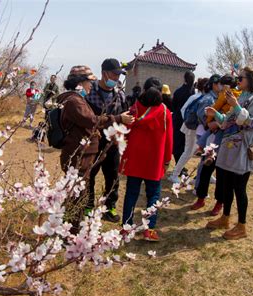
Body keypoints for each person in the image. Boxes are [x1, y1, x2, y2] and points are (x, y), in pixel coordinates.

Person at [57, 65, 133, 230]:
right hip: (78, 154)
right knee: (78, 192)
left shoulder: (79, 99)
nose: (91, 85)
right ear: (79, 82)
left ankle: (72, 226)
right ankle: (71, 229)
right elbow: (92, 121)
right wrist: (118, 118)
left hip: (88, 151)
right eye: (88, 82)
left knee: (81, 189)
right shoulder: (74, 101)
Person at [205, 67, 253, 240]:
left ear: (250, 79)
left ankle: (242, 226)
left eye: (241, 78)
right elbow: (227, 121)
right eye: (238, 78)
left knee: (240, 188)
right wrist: (216, 113)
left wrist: (236, 106)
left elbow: (250, 123)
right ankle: (225, 218)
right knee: (226, 184)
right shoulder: (242, 97)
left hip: (242, 150)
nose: (238, 81)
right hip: (229, 147)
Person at [120, 77, 173, 241]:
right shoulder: (164, 112)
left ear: (144, 89)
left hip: (135, 158)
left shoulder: (134, 109)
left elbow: (125, 131)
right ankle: (149, 230)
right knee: (153, 194)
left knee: (131, 193)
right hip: (154, 160)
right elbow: (169, 139)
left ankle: (126, 228)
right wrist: (166, 160)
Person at [85, 58, 129, 223]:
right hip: (93, 142)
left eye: (119, 75)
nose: (117, 78)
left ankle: (109, 206)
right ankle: (87, 206)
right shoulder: (90, 93)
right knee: (89, 175)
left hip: (113, 143)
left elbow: (125, 118)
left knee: (112, 176)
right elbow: (88, 119)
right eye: (114, 74)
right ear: (104, 73)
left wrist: (119, 135)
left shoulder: (119, 94)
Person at [191, 74, 224, 215]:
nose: (223, 87)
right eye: (221, 83)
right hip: (212, 138)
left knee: (222, 175)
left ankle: (219, 203)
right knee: (205, 169)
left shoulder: (230, 99)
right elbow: (202, 114)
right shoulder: (210, 98)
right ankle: (201, 197)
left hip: (225, 140)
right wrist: (209, 123)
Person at [168, 78, 209, 184]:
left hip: (196, 129)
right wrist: (189, 121)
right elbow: (183, 110)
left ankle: (205, 174)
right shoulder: (197, 97)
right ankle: (175, 174)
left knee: (203, 151)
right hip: (192, 128)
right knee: (188, 152)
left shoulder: (201, 97)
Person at [196, 74, 242, 164]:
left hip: (221, 117)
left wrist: (209, 120)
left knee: (210, 131)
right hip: (231, 121)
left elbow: (216, 106)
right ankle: (211, 154)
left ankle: (202, 149)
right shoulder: (239, 94)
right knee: (218, 137)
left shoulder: (225, 93)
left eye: (221, 84)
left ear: (226, 85)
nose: (220, 86)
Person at [171, 71, 195, 168]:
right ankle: (181, 167)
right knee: (187, 145)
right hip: (189, 121)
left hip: (178, 120)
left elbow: (174, 106)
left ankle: (179, 165)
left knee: (178, 143)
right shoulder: (193, 92)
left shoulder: (178, 91)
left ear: (184, 79)